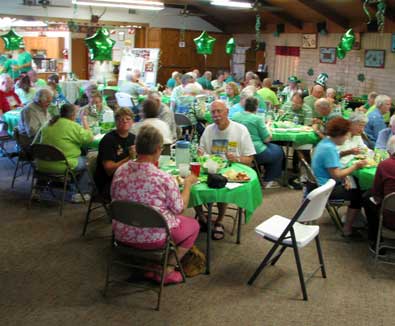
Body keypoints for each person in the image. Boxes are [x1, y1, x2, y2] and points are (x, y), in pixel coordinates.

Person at [111, 125, 199, 284]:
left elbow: (114, 197)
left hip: (122, 233)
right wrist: (188, 184)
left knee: (153, 215)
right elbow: (179, 209)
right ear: (159, 149)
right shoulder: (164, 178)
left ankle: (146, 264)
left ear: (136, 147)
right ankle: (167, 269)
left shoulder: (120, 170)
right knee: (193, 225)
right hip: (153, 238)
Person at [197, 100, 256, 240]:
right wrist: (200, 154)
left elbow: (249, 159)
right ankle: (203, 218)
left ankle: (219, 221)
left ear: (227, 112)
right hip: (210, 169)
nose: (216, 115)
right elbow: (202, 153)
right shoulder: (208, 130)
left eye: (219, 111)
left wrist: (236, 159)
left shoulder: (240, 130)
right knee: (192, 184)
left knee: (221, 185)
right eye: (213, 112)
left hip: (231, 172)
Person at [312, 117, 367, 238]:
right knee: (359, 195)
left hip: (322, 182)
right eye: (346, 135)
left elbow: (335, 161)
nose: (347, 138)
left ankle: (354, 220)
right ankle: (347, 229)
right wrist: (355, 166)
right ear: (340, 135)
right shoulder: (329, 149)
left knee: (355, 183)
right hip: (325, 189)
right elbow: (336, 174)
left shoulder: (326, 142)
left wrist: (349, 152)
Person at [37, 103, 92, 202]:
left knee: (49, 156)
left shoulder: (47, 123)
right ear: (73, 115)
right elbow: (89, 139)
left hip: (41, 164)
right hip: (62, 166)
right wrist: (84, 120)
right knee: (88, 161)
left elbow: (35, 144)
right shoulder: (73, 126)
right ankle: (81, 193)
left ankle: (37, 190)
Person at [233, 97, 284, 188]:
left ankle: (260, 171)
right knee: (278, 151)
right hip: (255, 151)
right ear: (256, 107)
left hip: (237, 150)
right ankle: (269, 180)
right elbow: (267, 139)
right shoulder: (257, 119)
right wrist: (267, 126)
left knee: (273, 149)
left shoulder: (235, 116)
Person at [94, 108, 135, 198]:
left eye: (128, 119)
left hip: (127, 177)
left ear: (133, 122)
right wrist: (129, 158)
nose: (125, 121)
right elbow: (109, 170)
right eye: (121, 119)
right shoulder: (108, 140)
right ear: (115, 122)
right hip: (109, 182)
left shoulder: (133, 138)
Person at [363, 135, 395, 251]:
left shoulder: (385, 165)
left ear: (388, 151)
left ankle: (376, 240)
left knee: (367, 198)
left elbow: (377, 193)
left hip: (391, 219)